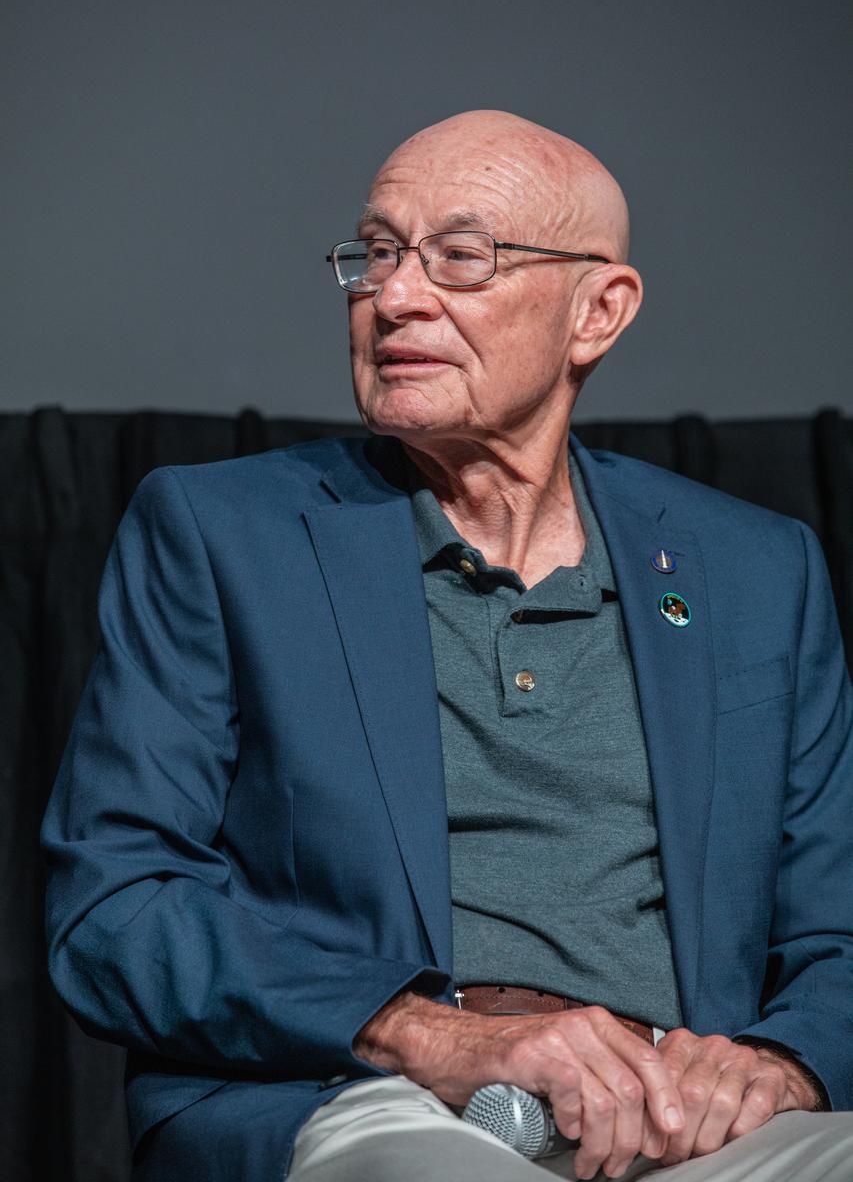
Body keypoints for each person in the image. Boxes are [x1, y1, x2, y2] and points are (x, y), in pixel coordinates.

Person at [41, 110, 853, 1182]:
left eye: (460, 258)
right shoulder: (221, 534)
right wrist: (437, 1034)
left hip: (683, 1117)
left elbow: (837, 927)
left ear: (596, 310)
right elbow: (115, 909)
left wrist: (784, 1066)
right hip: (371, 1101)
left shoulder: (756, 568)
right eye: (376, 253)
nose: (394, 295)